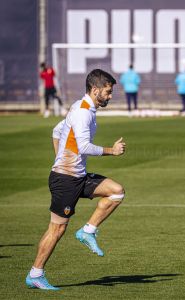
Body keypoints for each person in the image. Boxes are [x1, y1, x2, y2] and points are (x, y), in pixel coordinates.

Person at [26, 69, 126, 290]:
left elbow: (57, 130)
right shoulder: (82, 112)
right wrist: (112, 150)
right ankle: (35, 274)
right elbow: (83, 147)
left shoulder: (85, 108)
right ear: (95, 89)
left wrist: (62, 158)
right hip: (65, 180)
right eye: (108, 92)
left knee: (116, 191)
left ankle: (88, 231)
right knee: (57, 230)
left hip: (77, 176)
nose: (110, 96)